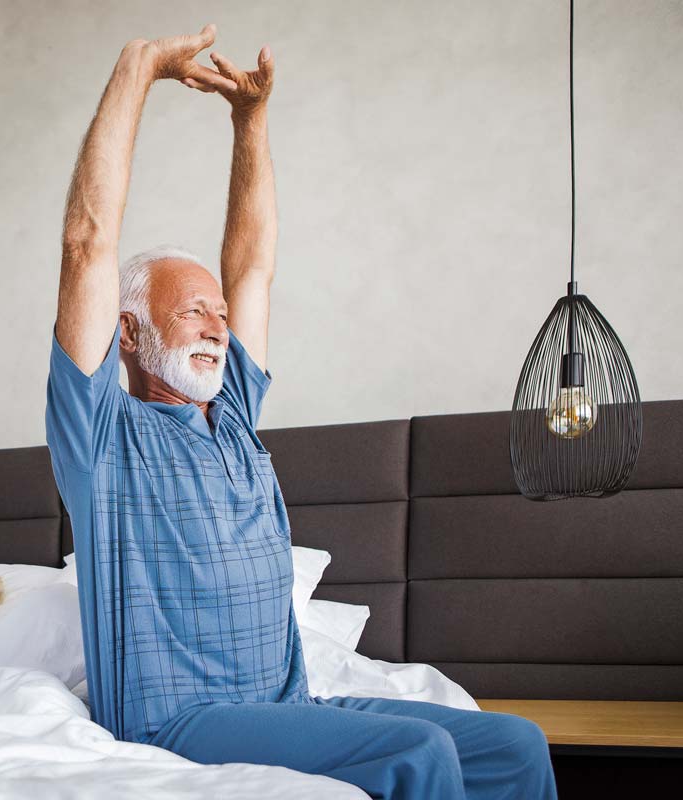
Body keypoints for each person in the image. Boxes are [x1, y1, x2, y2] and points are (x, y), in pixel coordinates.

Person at [44, 23, 557, 800]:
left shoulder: (236, 416)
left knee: (516, 747)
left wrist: (249, 124)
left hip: (289, 703)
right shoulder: (102, 437)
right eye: (192, 313)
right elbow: (88, 242)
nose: (219, 326)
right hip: (179, 718)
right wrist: (139, 69)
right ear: (128, 331)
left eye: (219, 316)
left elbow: (251, 267)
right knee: (417, 756)